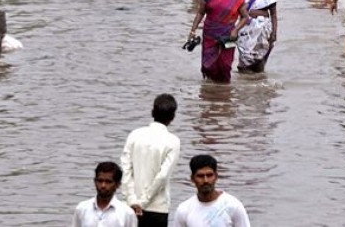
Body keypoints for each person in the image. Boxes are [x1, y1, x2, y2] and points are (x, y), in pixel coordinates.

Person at [121, 94, 181, 227]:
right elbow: (162, 176)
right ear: (172, 117)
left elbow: (125, 169)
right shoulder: (173, 141)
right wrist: (143, 202)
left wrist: (132, 199)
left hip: (129, 206)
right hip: (157, 208)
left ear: (152, 112)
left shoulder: (135, 135)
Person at [188, 0, 250, 83]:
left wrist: (236, 30)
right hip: (210, 36)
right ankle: (210, 91)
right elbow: (201, 12)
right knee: (208, 66)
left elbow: (245, 17)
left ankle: (224, 92)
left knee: (225, 66)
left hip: (228, 37)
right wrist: (193, 31)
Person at [173, 155, 251, 227]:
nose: (205, 180)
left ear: (216, 177)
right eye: (200, 176)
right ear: (192, 178)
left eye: (209, 175)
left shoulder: (233, 206)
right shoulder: (184, 210)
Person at [236, 0, 278, 73]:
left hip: (262, 29)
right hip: (246, 27)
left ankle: (258, 82)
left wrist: (274, 32)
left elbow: (273, 14)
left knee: (259, 59)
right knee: (245, 58)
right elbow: (238, 7)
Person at [72, 162, 138, 227]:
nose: (103, 185)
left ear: (118, 184)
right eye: (100, 181)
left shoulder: (127, 213)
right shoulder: (81, 209)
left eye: (108, 182)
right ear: (95, 182)